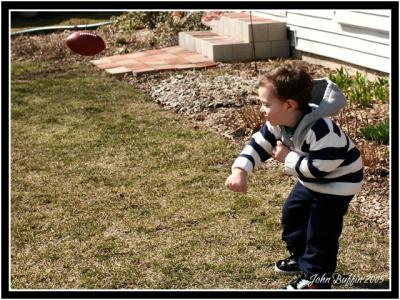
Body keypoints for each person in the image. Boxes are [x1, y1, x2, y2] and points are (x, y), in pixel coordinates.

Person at [225, 61, 363, 289]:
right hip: (310, 181)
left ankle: (315, 279)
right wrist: (240, 170)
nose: (262, 109)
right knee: (293, 215)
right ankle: (302, 259)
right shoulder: (278, 122)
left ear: (289, 105)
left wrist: (286, 157)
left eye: (266, 104)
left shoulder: (322, 130)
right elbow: (259, 144)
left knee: (321, 230)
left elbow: (321, 168)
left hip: (338, 183)